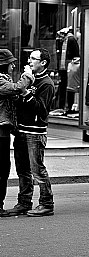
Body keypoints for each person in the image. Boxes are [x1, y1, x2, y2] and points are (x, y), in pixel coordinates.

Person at [7, 48, 56, 217]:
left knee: (37, 170)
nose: (29, 61)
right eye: (29, 58)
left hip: (35, 132)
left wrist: (25, 92)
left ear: (43, 63)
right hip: (21, 130)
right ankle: (24, 202)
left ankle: (46, 203)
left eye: (33, 59)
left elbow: (41, 110)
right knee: (22, 170)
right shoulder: (29, 79)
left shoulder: (46, 84)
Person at [0, 49, 34, 217]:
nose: (13, 66)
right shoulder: (1, 80)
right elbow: (16, 89)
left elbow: (15, 96)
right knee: (2, 169)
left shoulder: (4, 79)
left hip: (4, 131)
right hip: (0, 132)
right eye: (11, 63)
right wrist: (27, 76)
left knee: (4, 169)